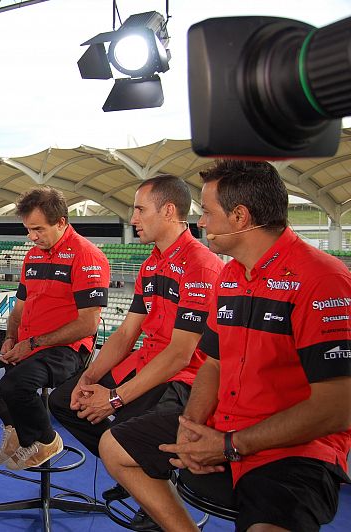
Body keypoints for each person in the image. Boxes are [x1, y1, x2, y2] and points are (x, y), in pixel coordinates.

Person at [100, 160, 351, 531]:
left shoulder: (324, 279)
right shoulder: (231, 275)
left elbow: (337, 408)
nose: (200, 222)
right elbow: (213, 364)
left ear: (239, 216)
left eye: (208, 213)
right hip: (224, 426)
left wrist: (230, 445)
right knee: (113, 447)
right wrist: (191, 426)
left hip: (294, 450)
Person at [48, 175, 223, 507]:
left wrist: (113, 399)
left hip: (180, 378)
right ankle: (136, 472)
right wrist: (89, 378)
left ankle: (146, 477)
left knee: (126, 430)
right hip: (145, 362)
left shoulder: (201, 266)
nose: (133, 219)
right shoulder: (151, 263)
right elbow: (127, 332)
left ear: (169, 211)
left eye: (140, 210)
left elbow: (180, 355)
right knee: (64, 400)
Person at [0, 187, 110, 470]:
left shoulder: (87, 256)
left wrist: (31, 344)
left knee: (13, 384)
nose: (32, 237)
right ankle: (14, 428)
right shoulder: (33, 256)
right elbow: (18, 309)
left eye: (38, 229)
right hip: (27, 341)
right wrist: (10, 338)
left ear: (61, 222)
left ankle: (46, 439)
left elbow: (88, 324)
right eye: (28, 230)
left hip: (65, 350)